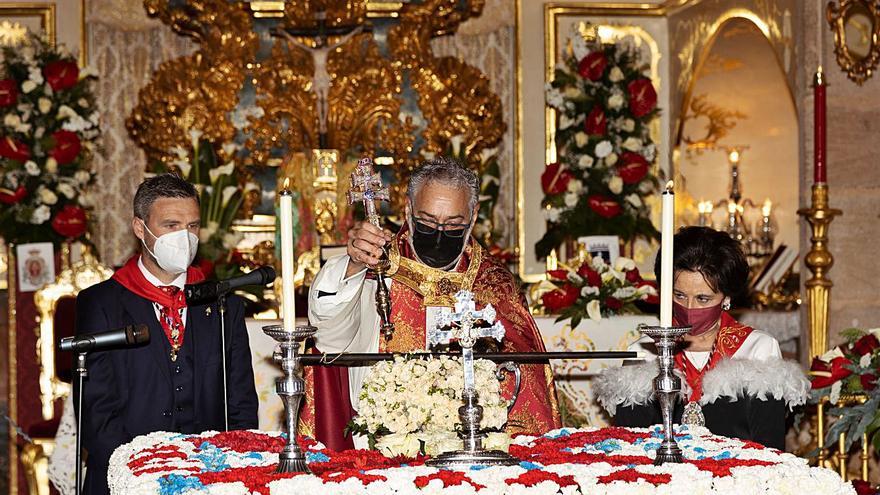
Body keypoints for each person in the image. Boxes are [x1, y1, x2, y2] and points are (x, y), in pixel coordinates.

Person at [307, 157, 561, 449]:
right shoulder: (375, 265)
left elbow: (528, 390)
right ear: (408, 209)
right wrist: (352, 266)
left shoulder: (494, 285)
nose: (439, 234)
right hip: (382, 446)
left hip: (473, 450)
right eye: (427, 222)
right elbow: (327, 336)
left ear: (473, 215)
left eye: (453, 224)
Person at [76, 174, 258, 495]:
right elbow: (97, 411)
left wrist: (232, 470)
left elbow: (240, 402)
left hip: (210, 479)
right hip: (127, 478)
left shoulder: (222, 304)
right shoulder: (101, 303)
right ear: (139, 228)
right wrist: (140, 475)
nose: (184, 238)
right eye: (171, 225)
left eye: (192, 227)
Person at [594, 226, 808, 449]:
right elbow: (629, 446)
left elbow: (769, 448)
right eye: (679, 295)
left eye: (703, 299)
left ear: (726, 297)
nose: (689, 307)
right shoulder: (644, 352)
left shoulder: (757, 350)